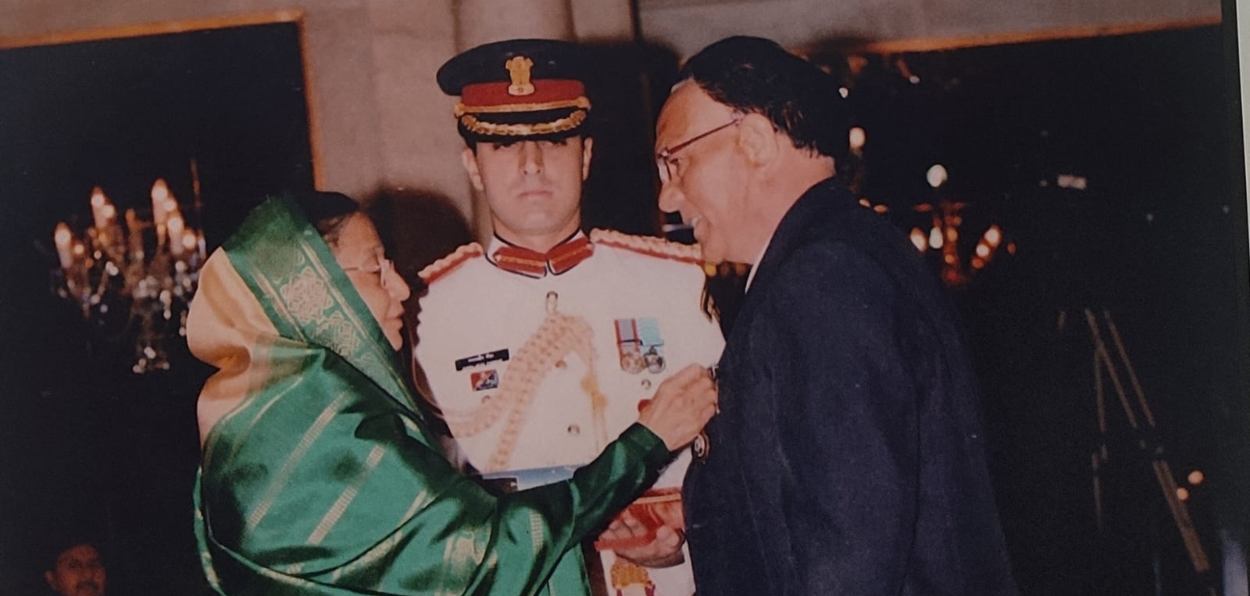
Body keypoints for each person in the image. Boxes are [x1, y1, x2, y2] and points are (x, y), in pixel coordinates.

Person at [188, 191, 716, 595]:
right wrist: (644, 443)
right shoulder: (323, 424)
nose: (400, 289)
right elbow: (482, 558)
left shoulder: (269, 411)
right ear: (313, 292)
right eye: (376, 269)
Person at [653, 36, 1018, 594]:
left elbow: (850, 555)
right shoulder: (843, 253)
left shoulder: (818, 278)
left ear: (752, 140)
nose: (668, 199)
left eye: (674, 162)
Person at [415, 39, 724, 595]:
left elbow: (735, 461)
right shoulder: (430, 312)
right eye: (505, 147)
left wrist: (679, 543)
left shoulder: (677, 285)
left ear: (585, 155)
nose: (531, 165)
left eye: (554, 141)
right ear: (473, 166)